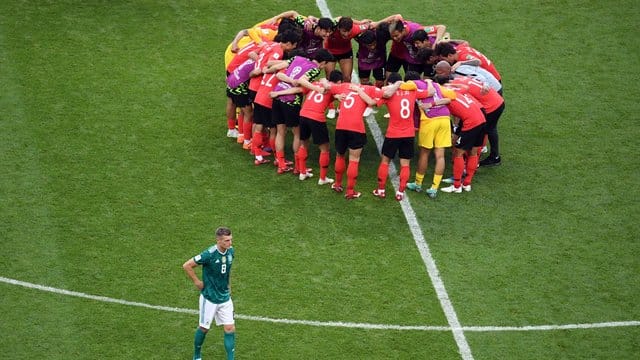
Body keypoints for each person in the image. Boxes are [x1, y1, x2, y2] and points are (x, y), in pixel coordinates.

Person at [372, 73, 432, 201]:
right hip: (409, 133)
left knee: (385, 161)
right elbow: (430, 93)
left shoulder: (389, 93)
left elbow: (375, 102)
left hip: (393, 133)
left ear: (390, 83)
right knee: (405, 164)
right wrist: (430, 82)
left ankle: (381, 190)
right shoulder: (412, 91)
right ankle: (400, 192)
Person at [183, 227, 236, 360]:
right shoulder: (209, 254)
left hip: (224, 298)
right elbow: (187, 265)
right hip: (210, 298)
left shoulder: (231, 252)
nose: (230, 243)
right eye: (227, 240)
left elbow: (227, 271)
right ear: (218, 241)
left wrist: (228, 286)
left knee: (230, 328)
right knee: (204, 328)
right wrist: (197, 282)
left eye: (231, 239)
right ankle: (196, 356)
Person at [403, 71, 456, 199]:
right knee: (440, 154)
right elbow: (452, 95)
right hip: (444, 118)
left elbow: (402, 87)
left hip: (429, 120)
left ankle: (418, 183)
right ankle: (434, 188)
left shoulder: (412, 84)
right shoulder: (436, 85)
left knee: (425, 153)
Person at [327, 82, 383, 199]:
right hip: (356, 128)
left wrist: (336, 96)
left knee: (340, 155)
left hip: (341, 126)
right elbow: (384, 94)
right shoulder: (370, 89)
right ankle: (350, 191)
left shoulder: (345, 86)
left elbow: (327, 86)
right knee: (354, 160)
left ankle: (337, 184)